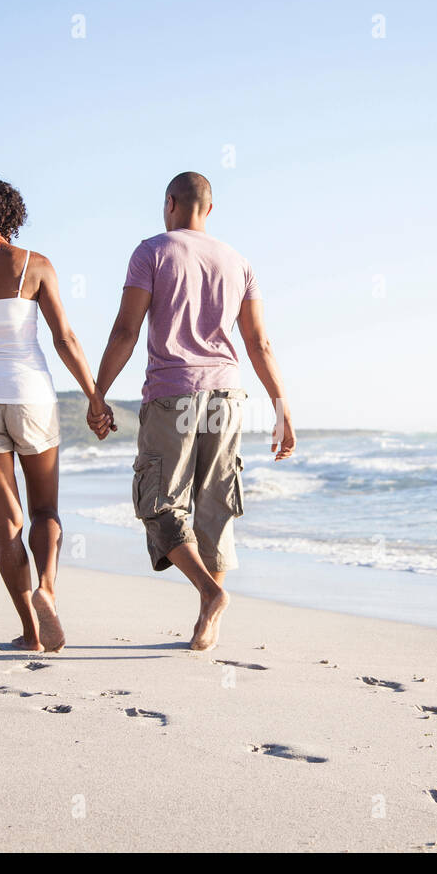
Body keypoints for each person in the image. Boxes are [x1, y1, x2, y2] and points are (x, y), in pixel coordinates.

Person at [90, 172, 295, 652]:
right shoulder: (238, 261)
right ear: (209, 209)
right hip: (228, 394)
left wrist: (98, 393)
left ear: (170, 203)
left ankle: (209, 591)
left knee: (158, 501)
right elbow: (259, 341)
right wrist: (282, 407)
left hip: (172, 394)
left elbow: (125, 329)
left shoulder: (152, 251)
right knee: (215, 504)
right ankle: (209, 622)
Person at [0, 175, 111, 653]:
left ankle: (31, 634)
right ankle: (47, 589)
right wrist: (95, 396)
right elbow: (64, 339)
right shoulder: (35, 264)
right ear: (12, 215)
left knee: (5, 522)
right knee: (45, 510)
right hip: (30, 393)